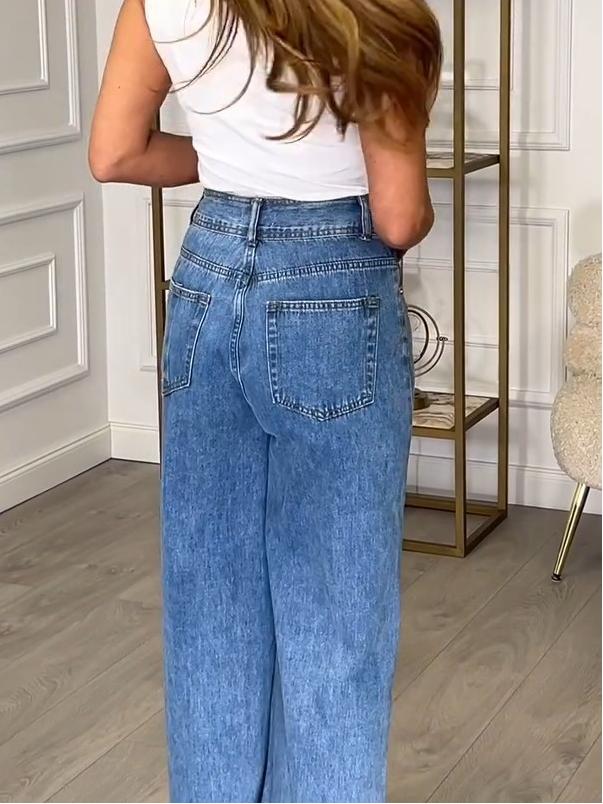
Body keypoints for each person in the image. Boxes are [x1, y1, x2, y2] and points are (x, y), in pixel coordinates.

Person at [90, 1, 441, 801]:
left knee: (209, 601)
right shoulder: (371, 10)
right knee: (334, 611)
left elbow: (114, 154)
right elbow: (397, 217)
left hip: (207, 275)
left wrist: (233, 162)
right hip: (333, 279)